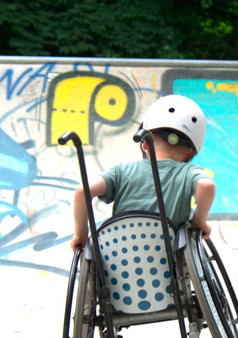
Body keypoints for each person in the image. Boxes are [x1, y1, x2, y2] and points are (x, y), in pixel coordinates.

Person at [70, 94, 216, 252]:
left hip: (116, 263)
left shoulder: (121, 171)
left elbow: (82, 191)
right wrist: (198, 223)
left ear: (145, 143)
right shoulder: (188, 172)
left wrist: (81, 235)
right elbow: (206, 185)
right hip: (170, 266)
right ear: (190, 155)